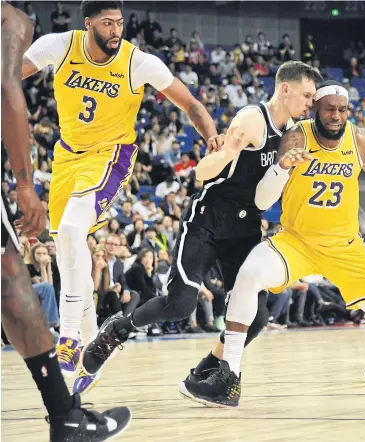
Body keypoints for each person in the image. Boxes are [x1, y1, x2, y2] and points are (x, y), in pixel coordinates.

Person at [180, 80, 365, 407]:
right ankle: (229, 377)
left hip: (345, 247)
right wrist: (282, 168)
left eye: (342, 110)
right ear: (316, 109)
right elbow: (261, 197)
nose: (336, 115)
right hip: (297, 242)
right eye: (330, 109)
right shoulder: (296, 136)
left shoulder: (359, 139)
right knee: (249, 274)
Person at [21, 0, 223, 389]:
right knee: (66, 245)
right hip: (66, 157)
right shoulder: (60, 46)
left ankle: (69, 338)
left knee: (74, 229)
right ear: (88, 23)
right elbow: (10, 75)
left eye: (120, 22)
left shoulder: (138, 62)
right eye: (108, 23)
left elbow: (191, 103)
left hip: (111, 155)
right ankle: (92, 335)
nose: (117, 29)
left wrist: (211, 134)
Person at [81, 61, 323, 381]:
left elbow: (268, 194)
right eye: (307, 95)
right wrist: (225, 154)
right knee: (180, 305)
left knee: (258, 314)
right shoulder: (253, 119)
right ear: (286, 88)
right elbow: (202, 172)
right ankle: (116, 330)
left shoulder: (293, 135)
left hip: (245, 226)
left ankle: (207, 369)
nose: (310, 104)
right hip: (208, 219)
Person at [1, 2, 131, 440]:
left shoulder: (130, 61)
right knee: (11, 279)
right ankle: (67, 407)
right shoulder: (13, 17)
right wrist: (23, 182)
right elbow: (7, 87)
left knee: (34, 264)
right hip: (65, 160)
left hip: (92, 157)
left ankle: (71, 381)